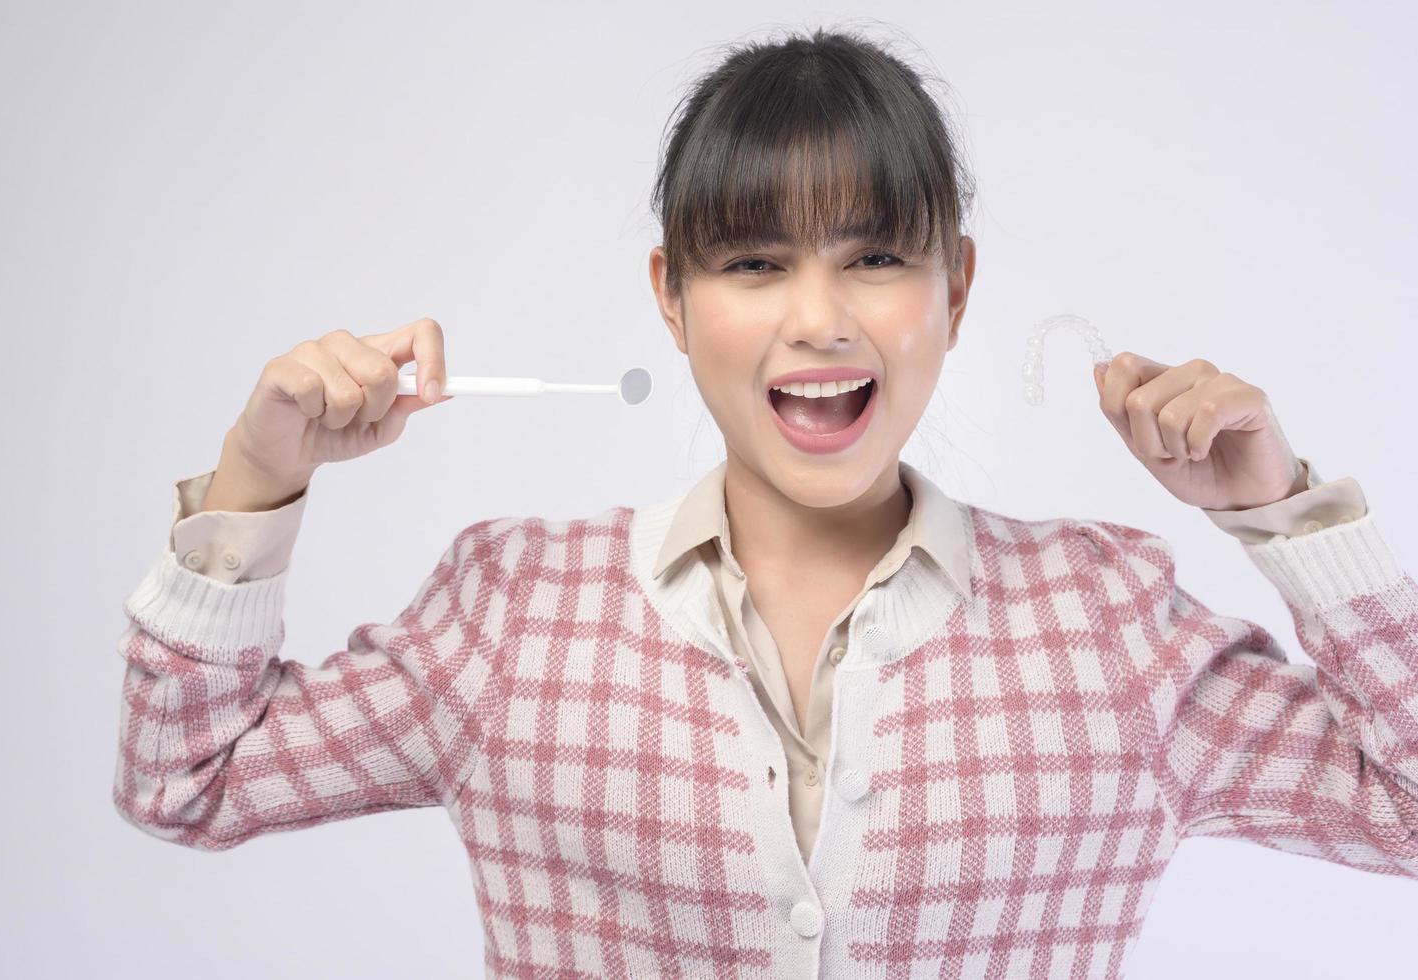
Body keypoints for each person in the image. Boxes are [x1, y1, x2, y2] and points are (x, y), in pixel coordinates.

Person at [111, 24, 1416, 979]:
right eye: (751, 261)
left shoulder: (1114, 619)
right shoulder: (512, 608)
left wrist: (1285, 516)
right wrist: (259, 469)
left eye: (875, 256)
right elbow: (185, 783)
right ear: (670, 297)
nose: (816, 319)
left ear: (954, 290)